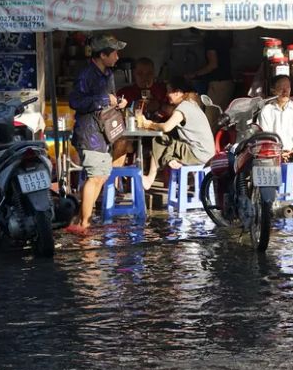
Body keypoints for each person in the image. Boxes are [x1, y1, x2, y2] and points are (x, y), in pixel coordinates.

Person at [67, 34, 128, 231]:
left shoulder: (108, 75)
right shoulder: (86, 75)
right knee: (94, 177)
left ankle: (80, 220)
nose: (117, 57)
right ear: (102, 55)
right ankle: (84, 223)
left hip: (103, 134)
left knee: (100, 177)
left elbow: (109, 100)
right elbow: (75, 102)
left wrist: (119, 102)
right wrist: (104, 100)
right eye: (114, 53)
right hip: (89, 133)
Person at [137, 76, 216, 189]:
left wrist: (149, 124)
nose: (167, 94)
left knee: (159, 139)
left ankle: (150, 179)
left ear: (178, 92)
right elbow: (170, 115)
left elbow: (166, 127)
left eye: (169, 91)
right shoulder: (191, 104)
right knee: (170, 137)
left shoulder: (184, 107)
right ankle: (171, 160)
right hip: (205, 153)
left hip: (198, 153)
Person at [256, 75, 293, 164]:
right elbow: (265, 139)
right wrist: (279, 153)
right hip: (274, 152)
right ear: (273, 90)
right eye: (281, 88)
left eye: (288, 88)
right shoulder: (266, 111)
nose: (285, 91)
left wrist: (292, 151)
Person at [185, 30, 234, 128]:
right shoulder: (220, 40)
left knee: (211, 119)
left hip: (219, 84)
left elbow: (213, 65)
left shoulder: (210, 42)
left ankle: (211, 142)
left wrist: (194, 74)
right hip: (225, 83)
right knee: (221, 119)